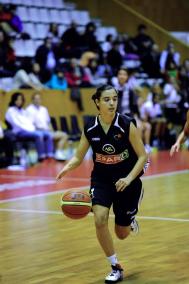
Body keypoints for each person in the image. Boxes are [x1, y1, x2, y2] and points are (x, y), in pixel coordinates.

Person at [56, 84, 147, 282]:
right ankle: (115, 266)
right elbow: (79, 156)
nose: (112, 103)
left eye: (114, 98)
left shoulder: (125, 123)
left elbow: (142, 156)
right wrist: (67, 167)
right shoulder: (90, 127)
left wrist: (129, 178)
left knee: (121, 234)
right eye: (107, 99)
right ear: (97, 102)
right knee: (99, 219)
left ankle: (130, 220)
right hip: (102, 179)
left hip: (127, 179)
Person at [5, 92, 54, 162]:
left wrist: (32, 129)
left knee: (48, 134)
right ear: (14, 100)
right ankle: (41, 156)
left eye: (21, 100)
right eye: (17, 100)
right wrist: (30, 129)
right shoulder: (10, 111)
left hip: (29, 130)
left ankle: (49, 155)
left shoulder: (22, 111)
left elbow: (28, 123)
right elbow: (17, 124)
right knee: (39, 135)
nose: (19, 101)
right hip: (19, 132)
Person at [26, 93, 68, 160]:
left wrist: (52, 131)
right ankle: (50, 154)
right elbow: (30, 124)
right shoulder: (29, 110)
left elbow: (48, 122)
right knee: (49, 136)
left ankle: (58, 152)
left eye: (39, 99)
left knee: (64, 135)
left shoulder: (44, 109)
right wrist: (41, 130)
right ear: (32, 100)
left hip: (47, 131)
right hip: (38, 131)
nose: (37, 100)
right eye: (36, 99)